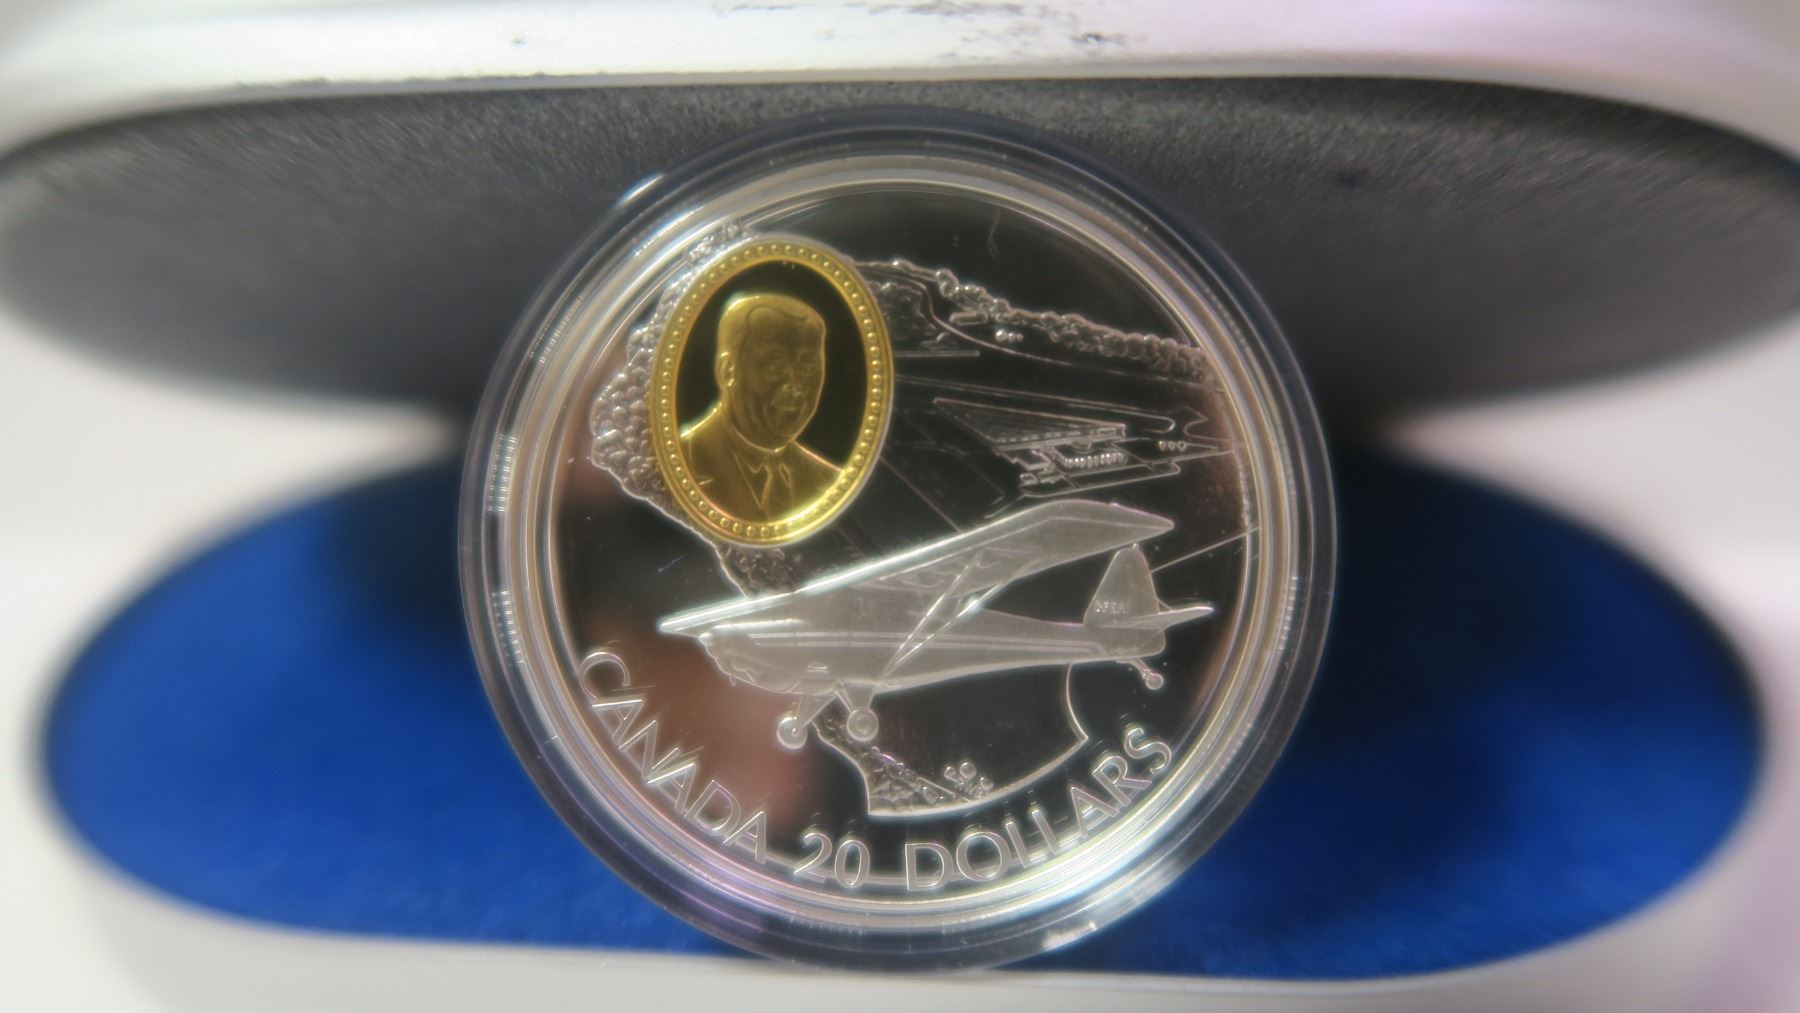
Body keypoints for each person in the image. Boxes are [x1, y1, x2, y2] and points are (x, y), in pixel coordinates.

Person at [680, 291, 841, 522]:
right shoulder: (681, 463)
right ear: (727, 371)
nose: (795, 389)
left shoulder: (831, 482)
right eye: (776, 368)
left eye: (807, 370)